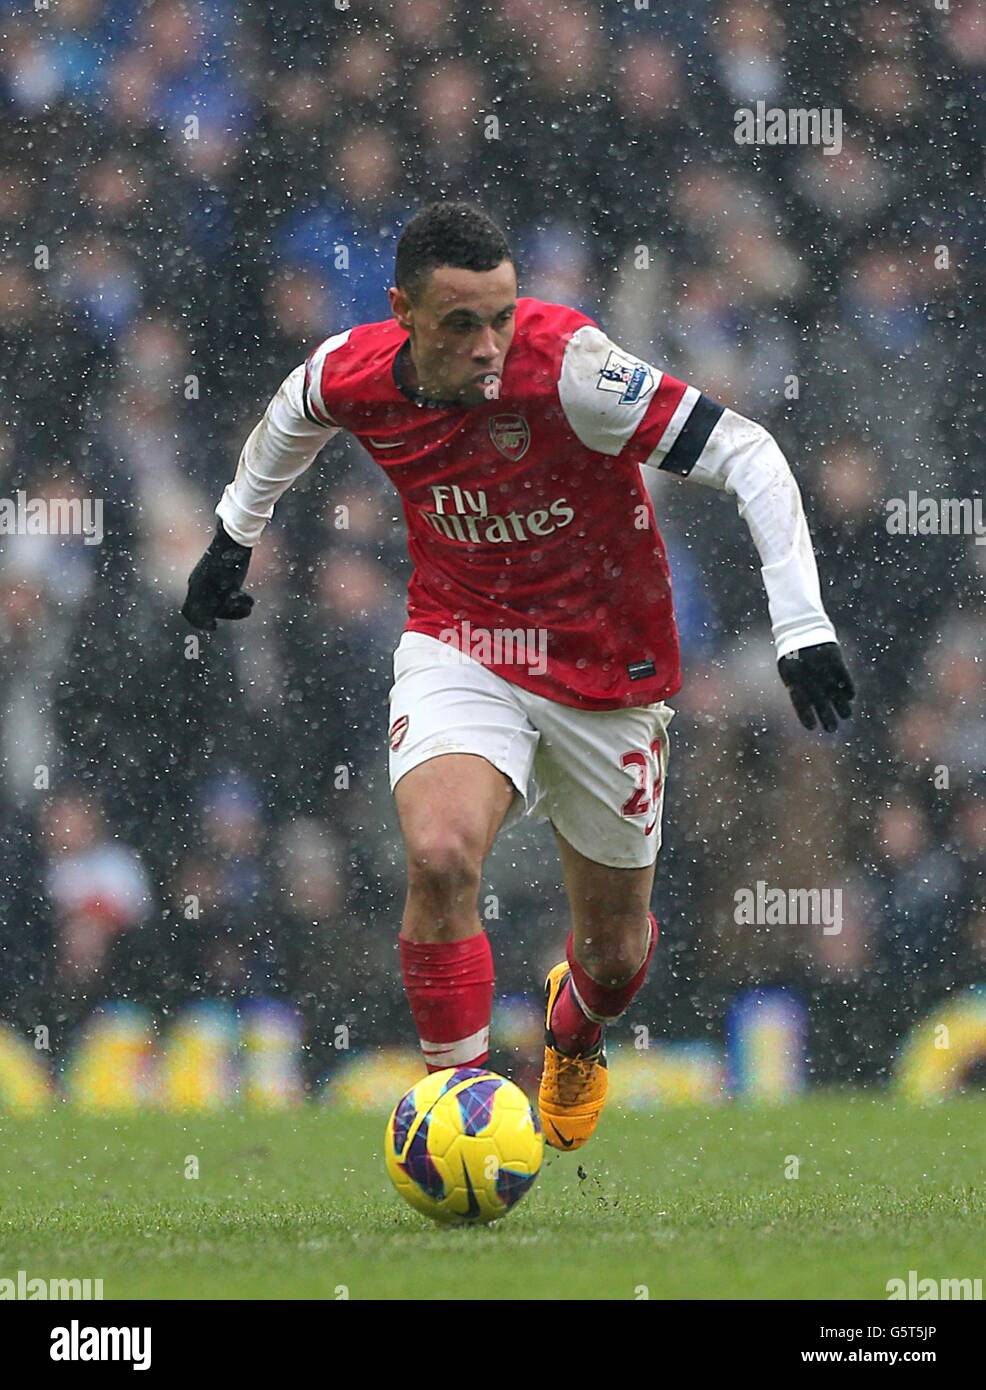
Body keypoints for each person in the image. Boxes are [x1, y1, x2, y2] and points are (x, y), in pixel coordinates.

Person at [182, 201, 854, 1151]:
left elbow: (749, 451)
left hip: (605, 670)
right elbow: (294, 414)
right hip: (463, 640)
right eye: (462, 323)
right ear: (403, 312)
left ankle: (574, 1026)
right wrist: (231, 538)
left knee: (616, 958)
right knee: (442, 853)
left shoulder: (573, 369)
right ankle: (456, 1112)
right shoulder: (356, 369)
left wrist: (802, 626)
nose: (490, 344)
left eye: (502, 315)